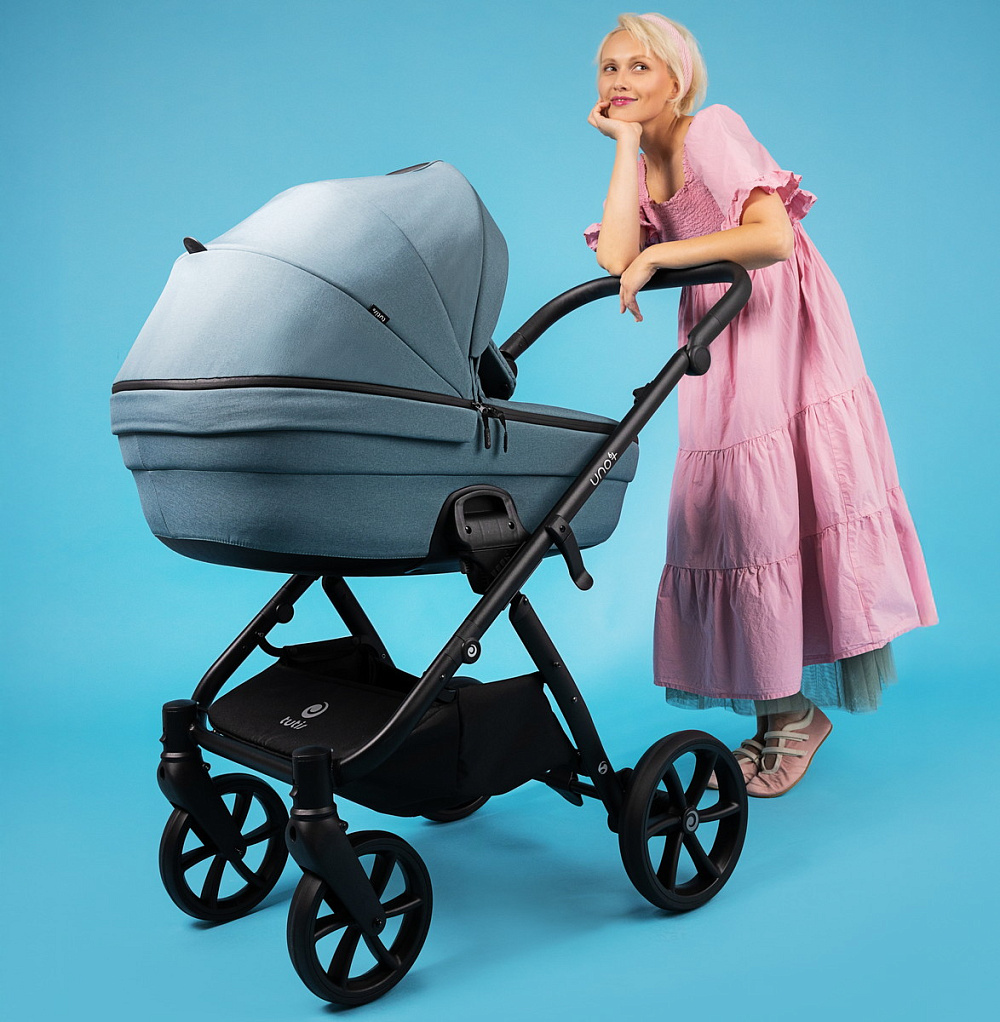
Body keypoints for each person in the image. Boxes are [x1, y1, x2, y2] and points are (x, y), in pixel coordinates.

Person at [585, 12, 937, 797]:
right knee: (741, 518)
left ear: (676, 78)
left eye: (640, 66)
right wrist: (621, 148)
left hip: (780, 326)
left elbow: (772, 237)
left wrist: (668, 255)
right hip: (721, 335)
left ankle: (792, 719)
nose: (620, 80)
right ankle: (783, 711)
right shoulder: (643, 160)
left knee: (771, 508)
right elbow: (616, 257)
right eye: (609, 68)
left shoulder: (711, 128)